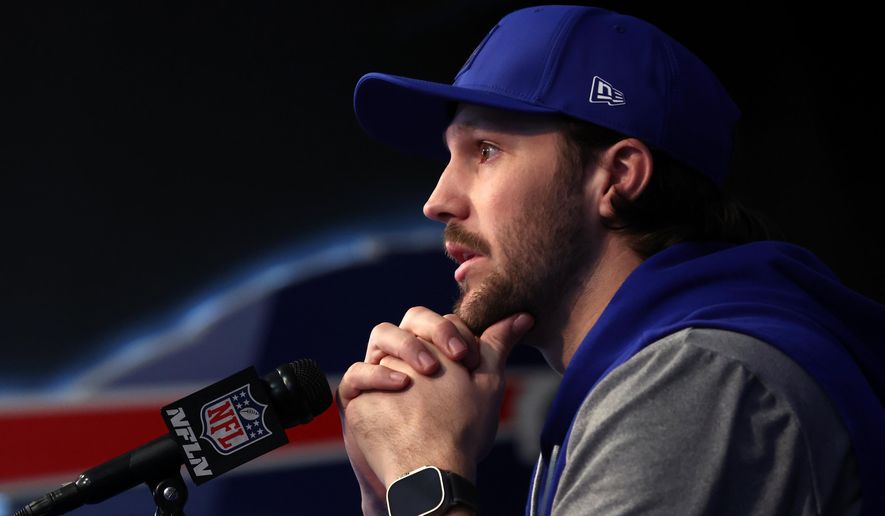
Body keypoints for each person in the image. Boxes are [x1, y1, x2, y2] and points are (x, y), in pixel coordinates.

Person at [336, 5, 885, 515]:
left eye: (485, 151)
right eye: (449, 156)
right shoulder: (645, 380)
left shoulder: (694, 379)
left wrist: (422, 476)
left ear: (618, 177)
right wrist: (388, 492)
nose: (437, 202)